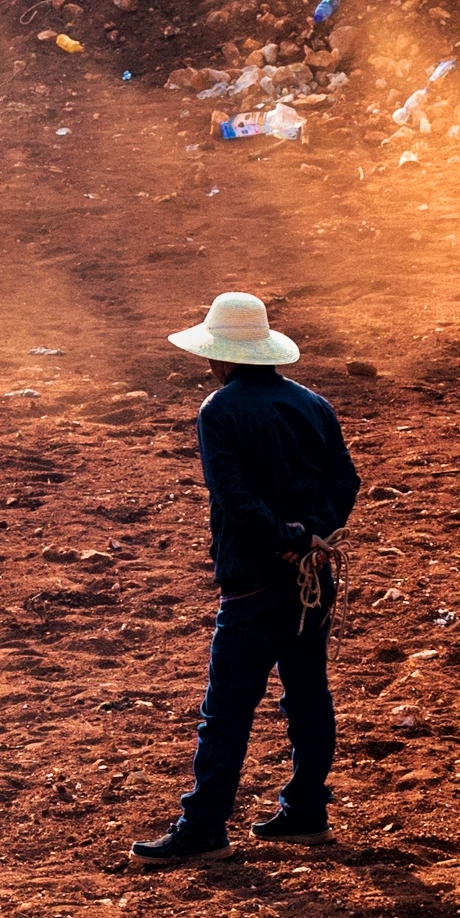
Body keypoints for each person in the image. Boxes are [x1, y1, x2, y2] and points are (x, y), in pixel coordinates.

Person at [127, 293, 358, 866]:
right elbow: (345, 484)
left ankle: (204, 826)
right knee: (308, 694)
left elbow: (233, 499)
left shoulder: (219, 411)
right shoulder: (314, 405)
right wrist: (311, 536)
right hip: (311, 577)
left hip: (253, 580)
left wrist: (285, 538)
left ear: (221, 356)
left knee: (228, 707)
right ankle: (307, 810)